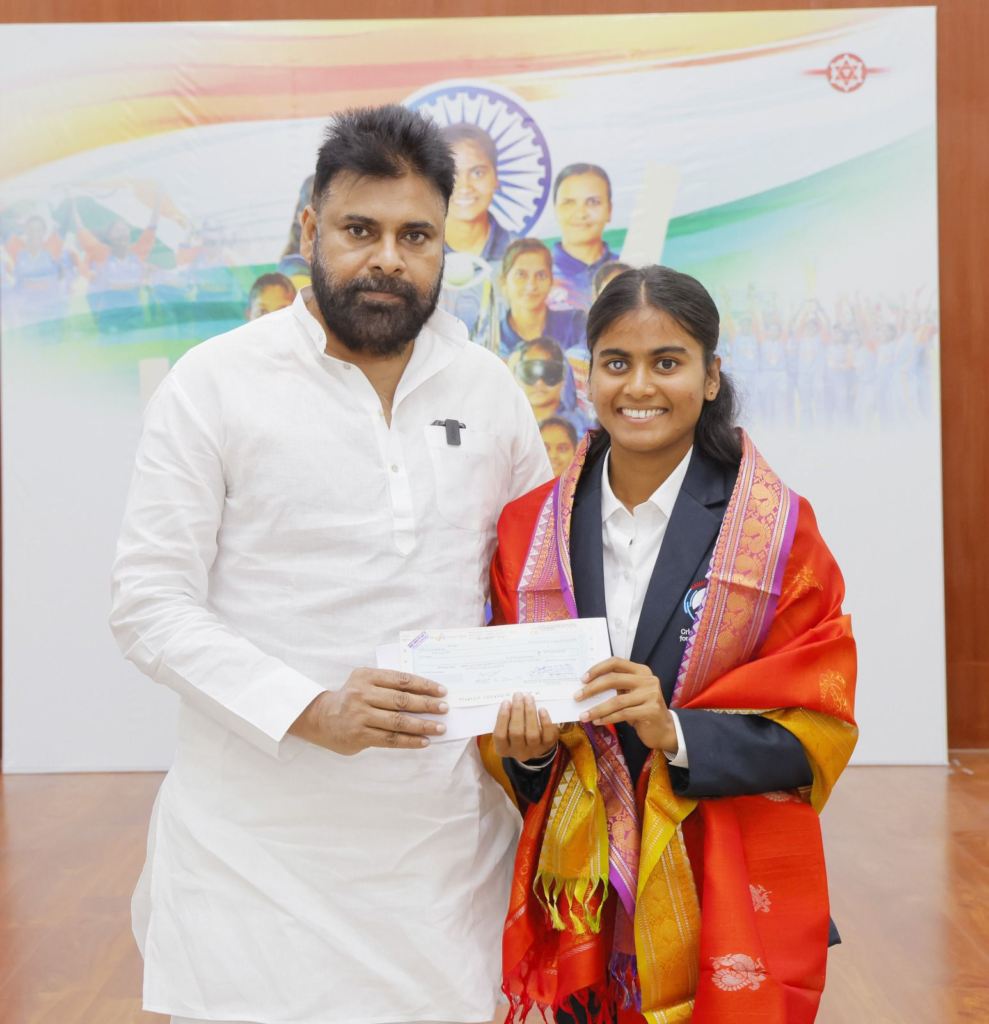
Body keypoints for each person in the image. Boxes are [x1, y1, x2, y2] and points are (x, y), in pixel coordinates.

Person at [109, 104, 552, 1024]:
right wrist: (310, 709)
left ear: (445, 244)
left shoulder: (487, 390)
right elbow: (149, 604)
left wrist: (538, 711)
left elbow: (538, 585)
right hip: (254, 853)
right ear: (310, 228)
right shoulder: (214, 383)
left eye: (414, 235)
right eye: (360, 230)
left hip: (444, 853)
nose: (387, 258)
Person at [487, 265, 857, 1023]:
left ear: (710, 376)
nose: (639, 386)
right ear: (587, 377)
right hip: (583, 899)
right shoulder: (530, 531)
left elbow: (818, 730)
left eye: (667, 362)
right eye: (616, 362)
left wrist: (676, 731)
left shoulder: (776, 533)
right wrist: (528, 752)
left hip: (719, 883)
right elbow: (516, 746)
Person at [73, 191, 161, 335]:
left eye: (125, 230)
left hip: (134, 315)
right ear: (110, 237)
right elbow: (80, 229)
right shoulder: (103, 254)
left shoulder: (137, 253)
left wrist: (158, 196)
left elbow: (152, 226)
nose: (122, 233)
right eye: (117, 230)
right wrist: (72, 202)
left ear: (129, 235)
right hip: (110, 317)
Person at [499, 238, 587, 360]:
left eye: (541, 275)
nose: (531, 286)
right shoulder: (492, 341)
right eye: (521, 275)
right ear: (503, 282)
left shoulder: (576, 325)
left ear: (551, 281)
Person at [441, 123, 517, 262]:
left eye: (477, 173)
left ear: (496, 178)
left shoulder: (521, 252)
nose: (464, 187)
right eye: (451, 175)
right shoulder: (414, 254)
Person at [549, 163, 618, 313]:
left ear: (609, 210)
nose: (581, 214)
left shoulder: (630, 270)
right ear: (555, 210)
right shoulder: (539, 277)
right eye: (569, 202)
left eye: (593, 202)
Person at [513, 336, 592, 438]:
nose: (539, 382)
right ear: (517, 375)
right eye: (529, 372)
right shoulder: (507, 424)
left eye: (550, 372)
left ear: (563, 376)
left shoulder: (584, 429)